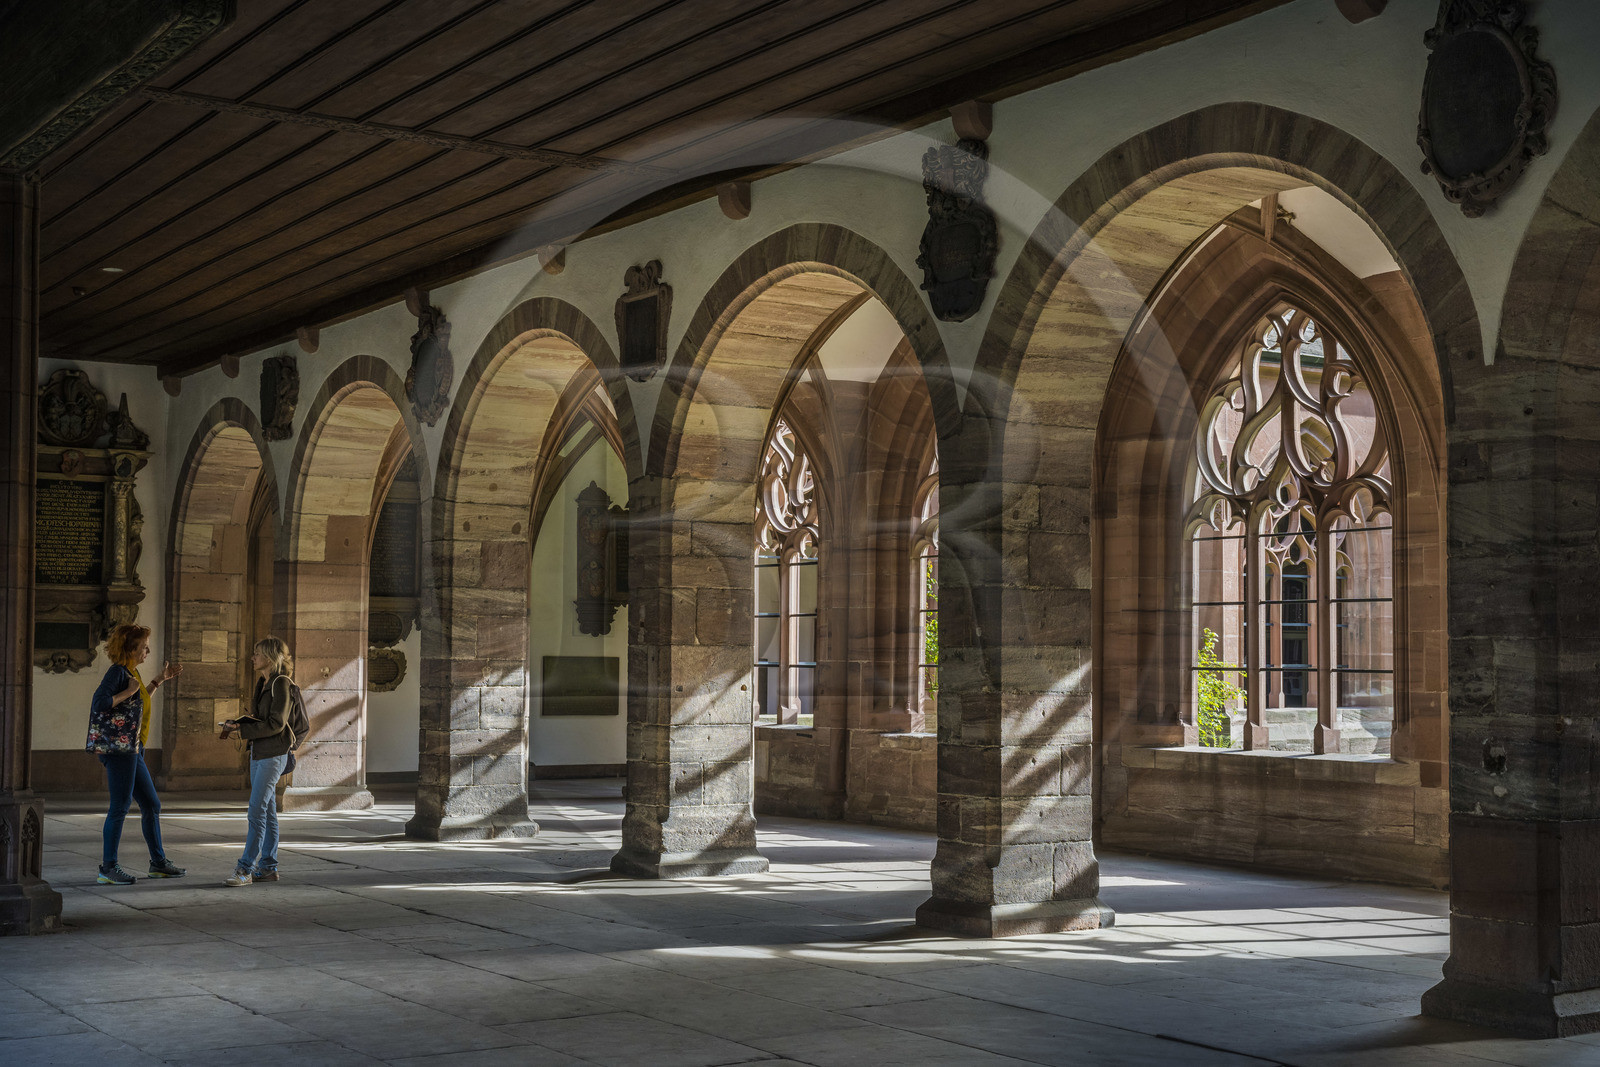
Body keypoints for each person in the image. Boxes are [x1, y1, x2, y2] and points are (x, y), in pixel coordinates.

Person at [85, 623, 185, 885]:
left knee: (151, 804)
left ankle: (158, 863)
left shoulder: (133, 673)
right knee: (119, 807)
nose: (148, 650)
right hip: (120, 751)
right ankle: (108, 868)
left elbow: (138, 703)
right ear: (130, 648)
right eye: (143, 646)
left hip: (133, 749)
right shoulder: (117, 673)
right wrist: (127, 692)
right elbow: (100, 703)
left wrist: (158, 681)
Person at [219, 636, 296, 886]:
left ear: (271, 658)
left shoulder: (280, 684)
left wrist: (243, 731)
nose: (253, 658)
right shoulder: (263, 682)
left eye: (258, 654)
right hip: (259, 752)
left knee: (256, 811)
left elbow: (276, 723)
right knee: (268, 811)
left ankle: (244, 869)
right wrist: (239, 724)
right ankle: (268, 867)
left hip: (273, 755)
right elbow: (262, 719)